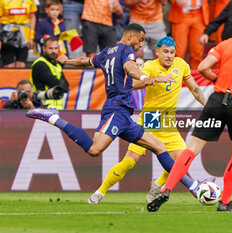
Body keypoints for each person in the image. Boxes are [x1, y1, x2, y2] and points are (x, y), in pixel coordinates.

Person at [25, 24, 186, 205]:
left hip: (125, 111)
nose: (141, 45)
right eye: (140, 40)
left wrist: (67, 61)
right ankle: (53, 118)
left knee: (159, 148)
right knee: (96, 150)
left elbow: (86, 61)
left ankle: (193, 187)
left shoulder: (108, 52)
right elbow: (131, 69)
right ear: (131, 37)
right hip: (121, 108)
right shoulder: (128, 52)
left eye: (172, 52)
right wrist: (146, 78)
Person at [147, 9, 232, 212]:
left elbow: (202, 67)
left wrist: (217, 80)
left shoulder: (225, 44)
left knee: (192, 147)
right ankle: (225, 202)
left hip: (216, 100)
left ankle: (166, 188)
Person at [88, 36, 212, 204]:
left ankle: (158, 184)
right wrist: (151, 80)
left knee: (182, 161)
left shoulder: (181, 65)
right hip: (150, 119)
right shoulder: (150, 66)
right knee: (130, 161)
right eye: (165, 52)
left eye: (172, 52)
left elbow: (195, 89)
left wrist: (206, 104)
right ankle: (100, 191)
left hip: (168, 122)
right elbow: (132, 84)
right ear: (157, 52)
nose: (169, 55)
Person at [167, 0, 210, 69]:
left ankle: (197, 74)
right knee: (179, 50)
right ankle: (177, 73)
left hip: (199, 14)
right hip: (180, 13)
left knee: (198, 50)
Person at [30, 37, 69, 110]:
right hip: (43, 106)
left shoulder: (57, 65)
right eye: (50, 48)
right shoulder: (40, 64)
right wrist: (60, 83)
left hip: (58, 108)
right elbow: (54, 83)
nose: (54, 51)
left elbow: (66, 86)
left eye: (55, 48)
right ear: (44, 49)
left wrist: (60, 84)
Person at [0, 0, 37, 68]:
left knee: (21, 64)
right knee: (9, 65)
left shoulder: (29, 1)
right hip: (7, 35)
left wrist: (31, 37)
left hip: (24, 34)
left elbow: (32, 17)